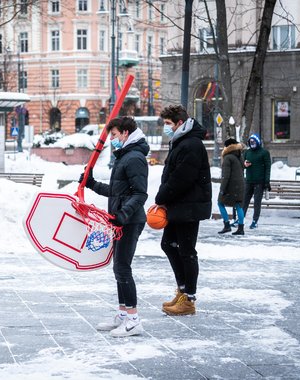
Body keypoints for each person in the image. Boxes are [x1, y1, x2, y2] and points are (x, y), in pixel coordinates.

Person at [79, 116, 149, 337]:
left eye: (115, 135)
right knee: (118, 267)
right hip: (120, 220)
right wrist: (91, 184)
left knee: (122, 267)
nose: (112, 139)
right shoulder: (125, 156)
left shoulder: (135, 158)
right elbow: (117, 191)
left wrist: (123, 215)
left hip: (130, 220)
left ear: (126, 133)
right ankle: (123, 314)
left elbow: (140, 194)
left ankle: (134, 319)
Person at [155, 105, 211, 316]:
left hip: (189, 205)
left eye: (168, 124)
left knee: (186, 251)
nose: (166, 128)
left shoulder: (191, 144)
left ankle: (189, 299)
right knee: (169, 245)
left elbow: (182, 178)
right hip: (180, 205)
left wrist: (161, 197)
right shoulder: (181, 141)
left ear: (179, 123)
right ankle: (182, 290)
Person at [242, 134, 271, 229]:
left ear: (258, 142)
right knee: (245, 201)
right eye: (250, 142)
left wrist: (266, 181)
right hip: (249, 181)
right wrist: (245, 164)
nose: (252, 144)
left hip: (259, 182)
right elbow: (242, 164)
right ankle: (241, 219)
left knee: (256, 203)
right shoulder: (247, 152)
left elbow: (268, 167)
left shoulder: (264, 153)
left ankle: (255, 221)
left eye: (254, 142)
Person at [217, 138, 245, 235]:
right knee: (238, 205)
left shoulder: (228, 157)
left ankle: (227, 225)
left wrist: (222, 189)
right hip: (240, 184)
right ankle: (241, 228)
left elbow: (226, 176)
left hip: (231, 185)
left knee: (220, 202)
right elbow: (242, 168)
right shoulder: (239, 155)